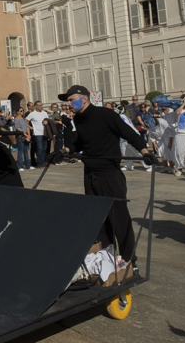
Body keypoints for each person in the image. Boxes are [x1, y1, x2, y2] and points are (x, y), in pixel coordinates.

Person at [61, 85, 151, 262]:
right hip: (90, 174)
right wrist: (64, 150)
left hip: (110, 175)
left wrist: (145, 151)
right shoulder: (78, 119)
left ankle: (128, 259)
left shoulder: (106, 115)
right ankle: (106, 258)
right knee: (98, 220)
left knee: (119, 219)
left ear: (84, 98)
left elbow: (129, 134)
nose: (68, 104)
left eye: (71, 100)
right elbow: (81, 143)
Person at [25, 102, 50, 169]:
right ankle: (40, 163)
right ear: (35, 106)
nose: (40, 106)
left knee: (44, 148)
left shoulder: (44, 113)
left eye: (41, 105)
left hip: (45, 133)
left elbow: (48, 120)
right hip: (37, 133)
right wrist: (30, 127)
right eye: (38, 105)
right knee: (40, 148)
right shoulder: (32, 114)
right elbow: (26, 120)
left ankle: (43, 162)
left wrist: (47, 121)